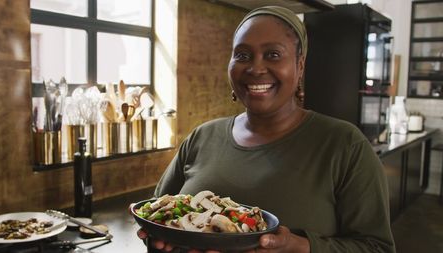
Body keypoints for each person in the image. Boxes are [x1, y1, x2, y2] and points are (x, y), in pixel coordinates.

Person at [136, 5, 396, 253]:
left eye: (273, 54)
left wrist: (299, 246)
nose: (255, 68)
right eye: (242, 55)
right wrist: (164, 242)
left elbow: (376, 247)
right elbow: (156, 216)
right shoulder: (202, 137)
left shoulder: (344, 146)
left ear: (300, 65)